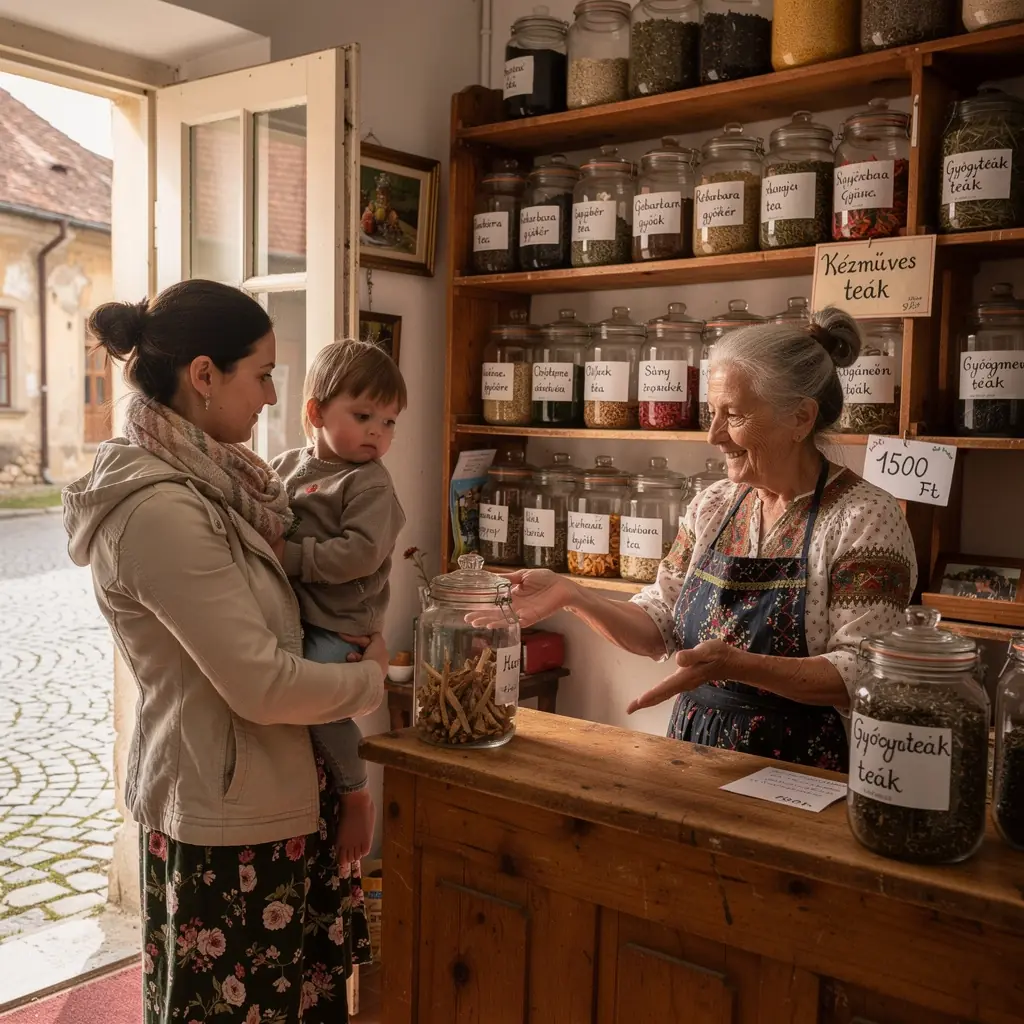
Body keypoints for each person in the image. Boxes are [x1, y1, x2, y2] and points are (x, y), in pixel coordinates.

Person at [62, 280, 384, 1023]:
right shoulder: (161, 509)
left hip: (271, 797)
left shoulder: (218, 482)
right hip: (229, 822)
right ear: (203, 376)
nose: (273, 396)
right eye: (263, 373)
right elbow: (263, 686)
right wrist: (374, 679)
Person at [472, 307, 916, 770]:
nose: (713, 436)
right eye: (711, 413)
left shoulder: (864, 517)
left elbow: (865, 671)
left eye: (735, 416)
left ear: (801, 418)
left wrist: (738, 665)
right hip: (693, 751)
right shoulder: (713, 504)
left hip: (803, 767)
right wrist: (574, 595)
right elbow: (660, 624)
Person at [270, 340, 406, 868]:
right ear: (314, 412)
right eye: (365, 415)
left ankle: (356, 793)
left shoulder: (368, 483)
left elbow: (360, 554)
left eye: (390, 422)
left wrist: (290, 556)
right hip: (300, 613)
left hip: (341, 625)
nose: (379, 431)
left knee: (321, 706)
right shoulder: (286, 467)